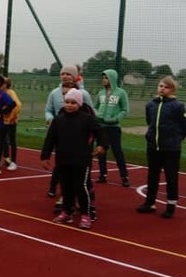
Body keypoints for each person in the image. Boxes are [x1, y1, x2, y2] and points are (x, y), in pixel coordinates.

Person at [41, 90, 106, 230]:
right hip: (63, 159)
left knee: (81, 187)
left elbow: (100, 132)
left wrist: (102, 145)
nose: (69, 105)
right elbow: (50, 139)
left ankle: (85, 214)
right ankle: (67, 211)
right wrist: (45, 156)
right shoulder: (58, 120)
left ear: (79, 103)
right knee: (66, 187)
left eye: (73, 102)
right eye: (67, 102)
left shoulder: (87, 119)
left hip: (81, 160)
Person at [137, 76, 186, 219]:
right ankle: (150, 203)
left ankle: (171, 205)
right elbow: (150, 122)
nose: (162, 89)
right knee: (152, 175)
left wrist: (176, 139)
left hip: (171, 148)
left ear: (172, 89)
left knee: (171, 176)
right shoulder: (151, 105)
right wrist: (151, 137)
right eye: (160, 86)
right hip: (153, 147)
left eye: (166, 87)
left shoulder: (178, 106)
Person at [44, 64, 93, 196]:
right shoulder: (54, 93)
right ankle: (54, 187)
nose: (65, 76)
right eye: (63, 74)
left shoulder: (83, 94)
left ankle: (86, 194)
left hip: (78, 137)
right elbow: (48, 109)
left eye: (69, 74)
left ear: (75, 76)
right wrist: (50, 119)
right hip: (60, 134)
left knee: (80, 167)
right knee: (61, 163)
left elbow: (91, 113)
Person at [95, 69, 130, 186]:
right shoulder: (100, 93)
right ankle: (102, 175)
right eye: (103, 77)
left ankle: (124, 176)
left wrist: (115, 119)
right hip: (101, 127)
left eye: (106, 77)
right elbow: (95, 107)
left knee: (117, 151)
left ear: (112, 79)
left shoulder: (121, 93)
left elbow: (125, 110)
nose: (103, 80)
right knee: (101, 152)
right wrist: (97, 115)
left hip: (114, 127)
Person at [2, 77, 22, 171]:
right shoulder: (2, 93)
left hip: (10, 121)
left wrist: (12, 117)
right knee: (3, 140)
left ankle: (13, 162)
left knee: (11, 140)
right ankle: (6, 158)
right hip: (3, 120)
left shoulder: (10, 92)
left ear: (5, 85)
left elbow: (17, 105)